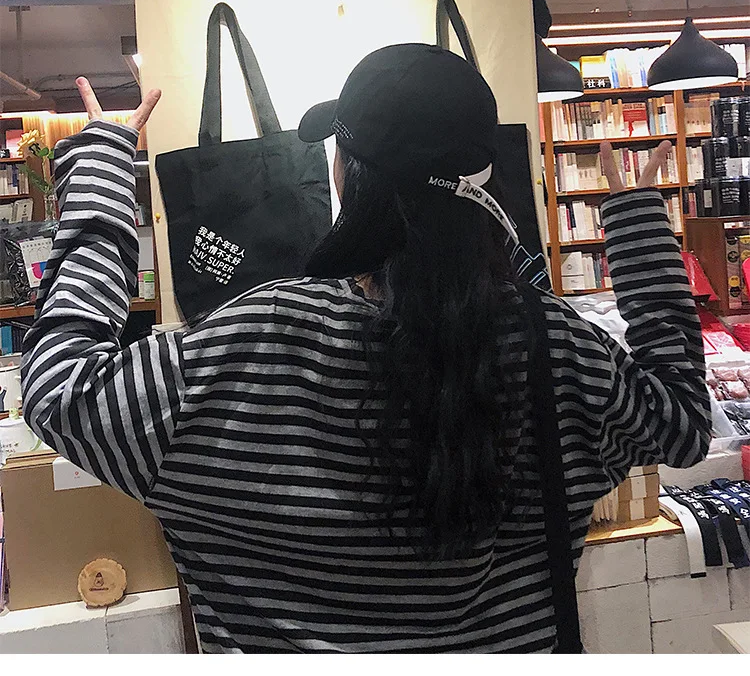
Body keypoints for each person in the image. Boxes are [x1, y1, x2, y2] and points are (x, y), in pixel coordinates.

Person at [21, 45, 711, 654]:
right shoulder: (554, 346)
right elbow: (682, 424)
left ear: (347, 175)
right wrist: (639, 227)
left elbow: (59, 391)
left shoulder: (253, 344)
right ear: (488, 180)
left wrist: (103, 178)